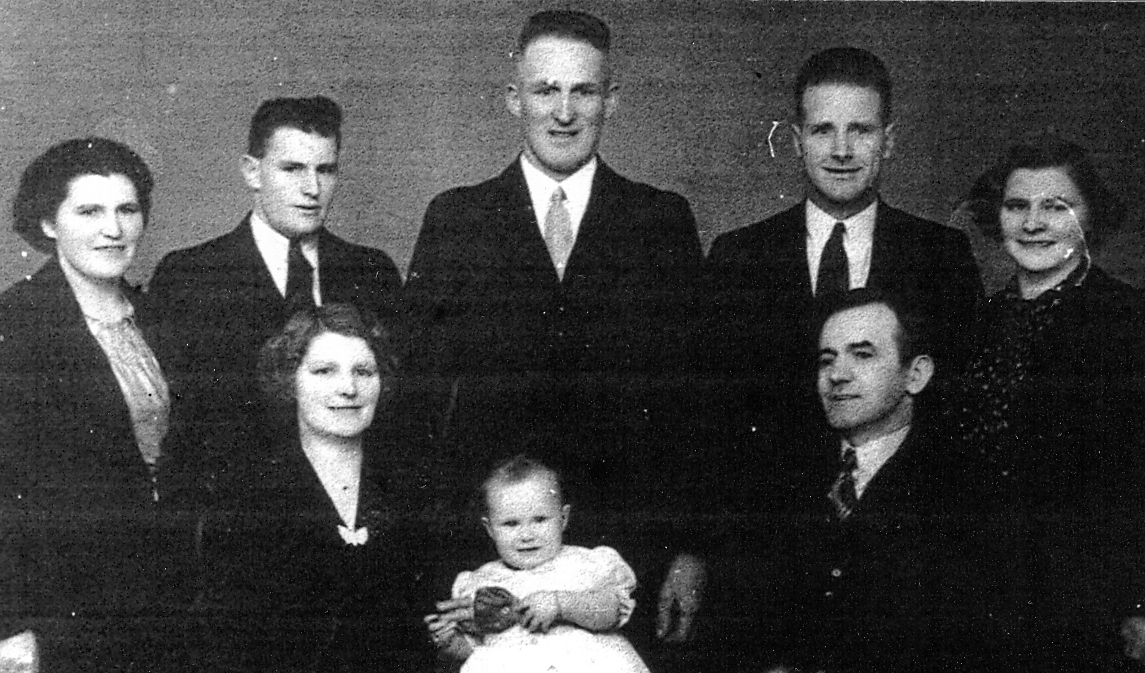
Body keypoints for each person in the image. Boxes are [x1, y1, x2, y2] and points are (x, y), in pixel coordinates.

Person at [404, 10, 704, 520]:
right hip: (488, 541)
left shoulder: (661, 222)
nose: (564, 112)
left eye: (584, 92)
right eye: (545, 91)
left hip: (628, 536)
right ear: (513, 99)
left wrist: (687, 551)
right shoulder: (457, 219)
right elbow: (417, 401)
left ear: (610, 101)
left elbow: (694, 404)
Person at [702, 46, 983, 510]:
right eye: (822, 131)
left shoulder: (941, 256)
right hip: (764, 522)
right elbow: (713, 417)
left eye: (861, 130)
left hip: (900, 524)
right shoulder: (739, 257)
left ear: (888, 140)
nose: (841, 151)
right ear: (796, 141)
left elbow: (954, 407)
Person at [721, 290, 987, 673]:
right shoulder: (779, 480)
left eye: (862, 355)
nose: (837, 375)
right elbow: (729, 626)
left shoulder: (968, 493)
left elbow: (974, 669)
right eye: (827, 360)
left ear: (916, 374)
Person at [194, 303, 458, 673]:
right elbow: (237, 666)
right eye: (323, 370)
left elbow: (428, 626)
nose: (348, 388)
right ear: (288, 381)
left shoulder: (412, 489)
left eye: (364, 370)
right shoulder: (247, 499)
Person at [0, 137, 194, 673]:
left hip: (165, 606)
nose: (114, 229)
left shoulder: (162, 316)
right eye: (90, 212)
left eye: (128, 210)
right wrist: (8, 622)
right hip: (60, 615)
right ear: (48, 223)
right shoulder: (16, 324)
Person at [951, 139, 1145, 673]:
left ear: (1090, 218)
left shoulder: (1127, 321)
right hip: (981, 605)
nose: (1033, 223)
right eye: (1016, 206)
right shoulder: (977, 323)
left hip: (1088, 612)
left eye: (1056, 206)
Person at [149, 95, 403, 507]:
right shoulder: (189, 277)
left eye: (326, 170)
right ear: (252, 172)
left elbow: (394, 419)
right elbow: (181, 430)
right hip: (235, 519)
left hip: (351, 512)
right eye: (292, 169)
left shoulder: (372, 272)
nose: (312, 189)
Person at [422, 455, 691, 673]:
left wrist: (562, 604)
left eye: (540, 520)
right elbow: (474, 651)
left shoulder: (585, 563)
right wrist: (450, 640)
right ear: (489, 528)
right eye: (511, 524)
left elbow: (611, 611)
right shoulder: (480, 582)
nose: (526, 534)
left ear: (563, 518)